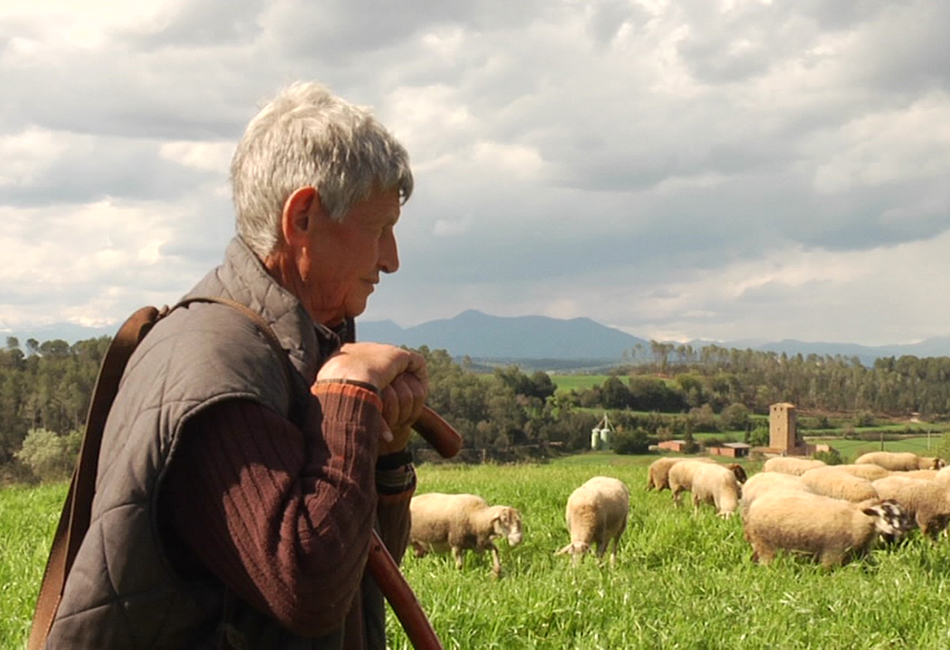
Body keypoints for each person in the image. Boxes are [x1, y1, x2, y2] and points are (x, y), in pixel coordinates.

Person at [45, 82, 427, 648]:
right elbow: (309, 589)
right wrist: (348, 401)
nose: (391, 260)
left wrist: (388, 454)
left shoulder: (295, 345)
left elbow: (357, 566)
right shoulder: (220, 364)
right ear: (302, 218)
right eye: (378, 229)